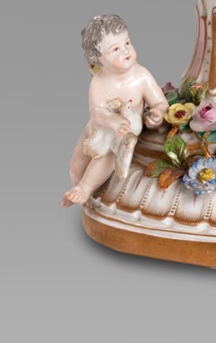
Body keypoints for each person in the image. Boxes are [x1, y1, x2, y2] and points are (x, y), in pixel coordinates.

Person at [62, 14, 168, 207]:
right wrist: (113, 121)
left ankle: (85, 189)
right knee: (76, 164)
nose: (126, 51)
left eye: (127, 43)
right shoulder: (99, 82)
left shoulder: (141, 77)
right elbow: (97, 114)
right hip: (97, 129)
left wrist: (157, 114)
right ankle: (77, 187)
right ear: (98, 59)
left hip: (121, 135)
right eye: (115, 49)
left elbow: (160, 103)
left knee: (108, 155)